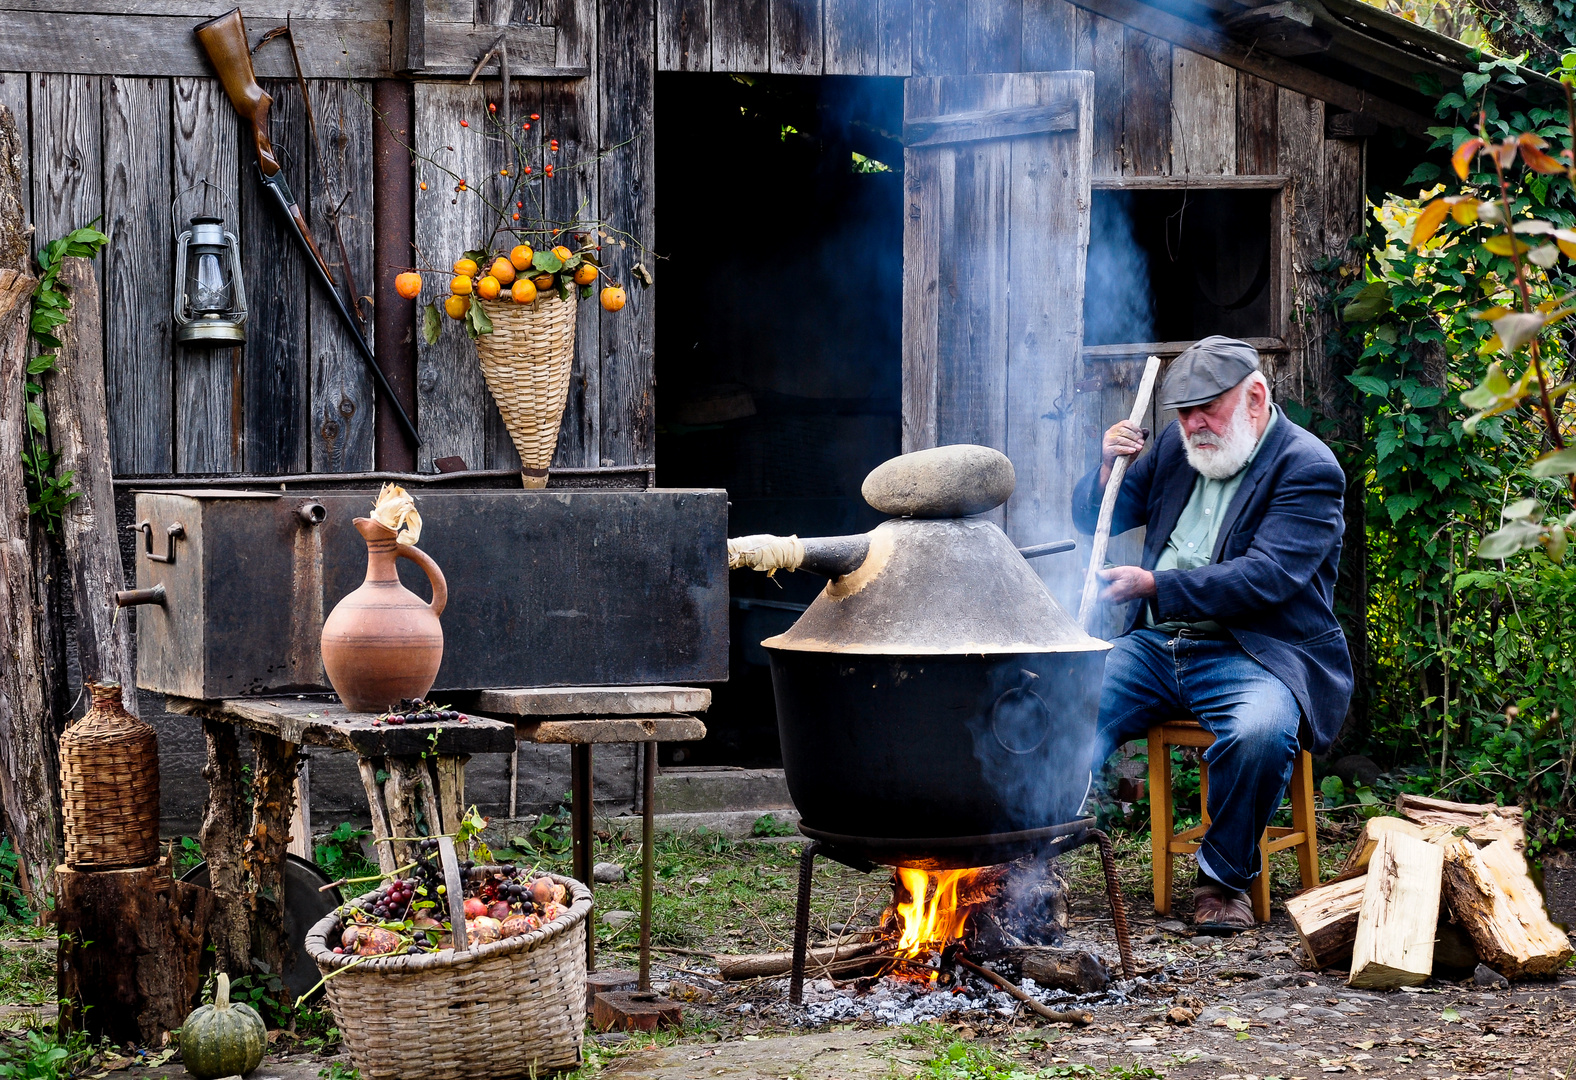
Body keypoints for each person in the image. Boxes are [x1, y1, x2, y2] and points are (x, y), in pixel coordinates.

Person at [1071, 336, 1352, 931]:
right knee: (1060, 702)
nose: (1194, 424)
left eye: (1208, 409)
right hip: (1155, 646)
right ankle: (1025, 861)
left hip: (1253, 651)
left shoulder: (1307, 467)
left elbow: (1266, 577)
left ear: (1255, 397)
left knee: (1259, 731)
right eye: (1182, 411)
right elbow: (1103, 516)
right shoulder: (1180, 446)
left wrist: (1156, 586)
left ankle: (1222, 882)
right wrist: (1105, 470)